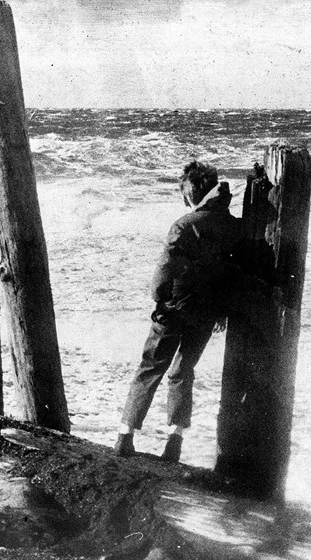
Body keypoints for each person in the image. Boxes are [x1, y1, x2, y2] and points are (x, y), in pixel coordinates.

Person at [114, 160, 243, 462]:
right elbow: (231, 275)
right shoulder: (233, 225)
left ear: (191, 191)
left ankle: (125, 436)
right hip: (206, 312)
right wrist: (222, 311)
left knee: (150, 367)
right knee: (183, 371)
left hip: (174, 309)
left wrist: (159, 299)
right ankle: (175, 441)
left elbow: (165, 269)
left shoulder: (185, 224)